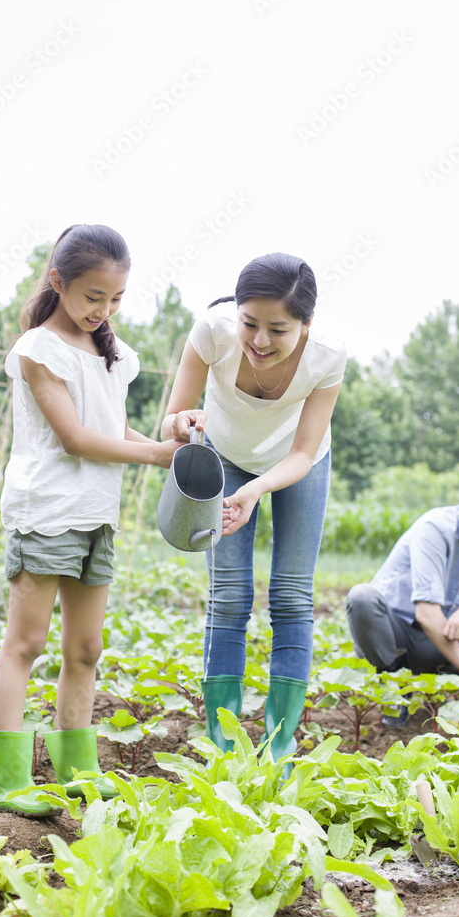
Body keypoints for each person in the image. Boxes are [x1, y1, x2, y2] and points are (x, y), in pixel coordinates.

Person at [0, 224, 180, 816]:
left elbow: (109, 426)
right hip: (45, 511)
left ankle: (77, 769)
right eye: (92, 296)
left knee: (87, 648)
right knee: (26, 642)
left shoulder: (112, 354)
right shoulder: (38, 351)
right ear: (58, 283)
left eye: (115, 298)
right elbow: (73, 439)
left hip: (96, 515)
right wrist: (154, 454)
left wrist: (164, 440)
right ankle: (10, 779)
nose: (104, 309)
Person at [161, 252, 347, 768]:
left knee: (291, 595)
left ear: (306, 326)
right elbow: (170, 420)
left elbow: (304, 454)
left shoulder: (327, 356)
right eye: (250, 324)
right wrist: (180, 425)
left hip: (295, 465)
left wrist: (257, 489)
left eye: (278, 329)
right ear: (235, 312)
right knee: (229, 596)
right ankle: (223, 746)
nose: (260, 341)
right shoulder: (211, 333)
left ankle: (279, 747)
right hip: (223, 456)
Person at [346, 476, 459, 725]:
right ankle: (393, 686)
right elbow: (427, 615)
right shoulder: (435, 529)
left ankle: (438, 686)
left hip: (434, 639)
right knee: (362, 597)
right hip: (394, 634)